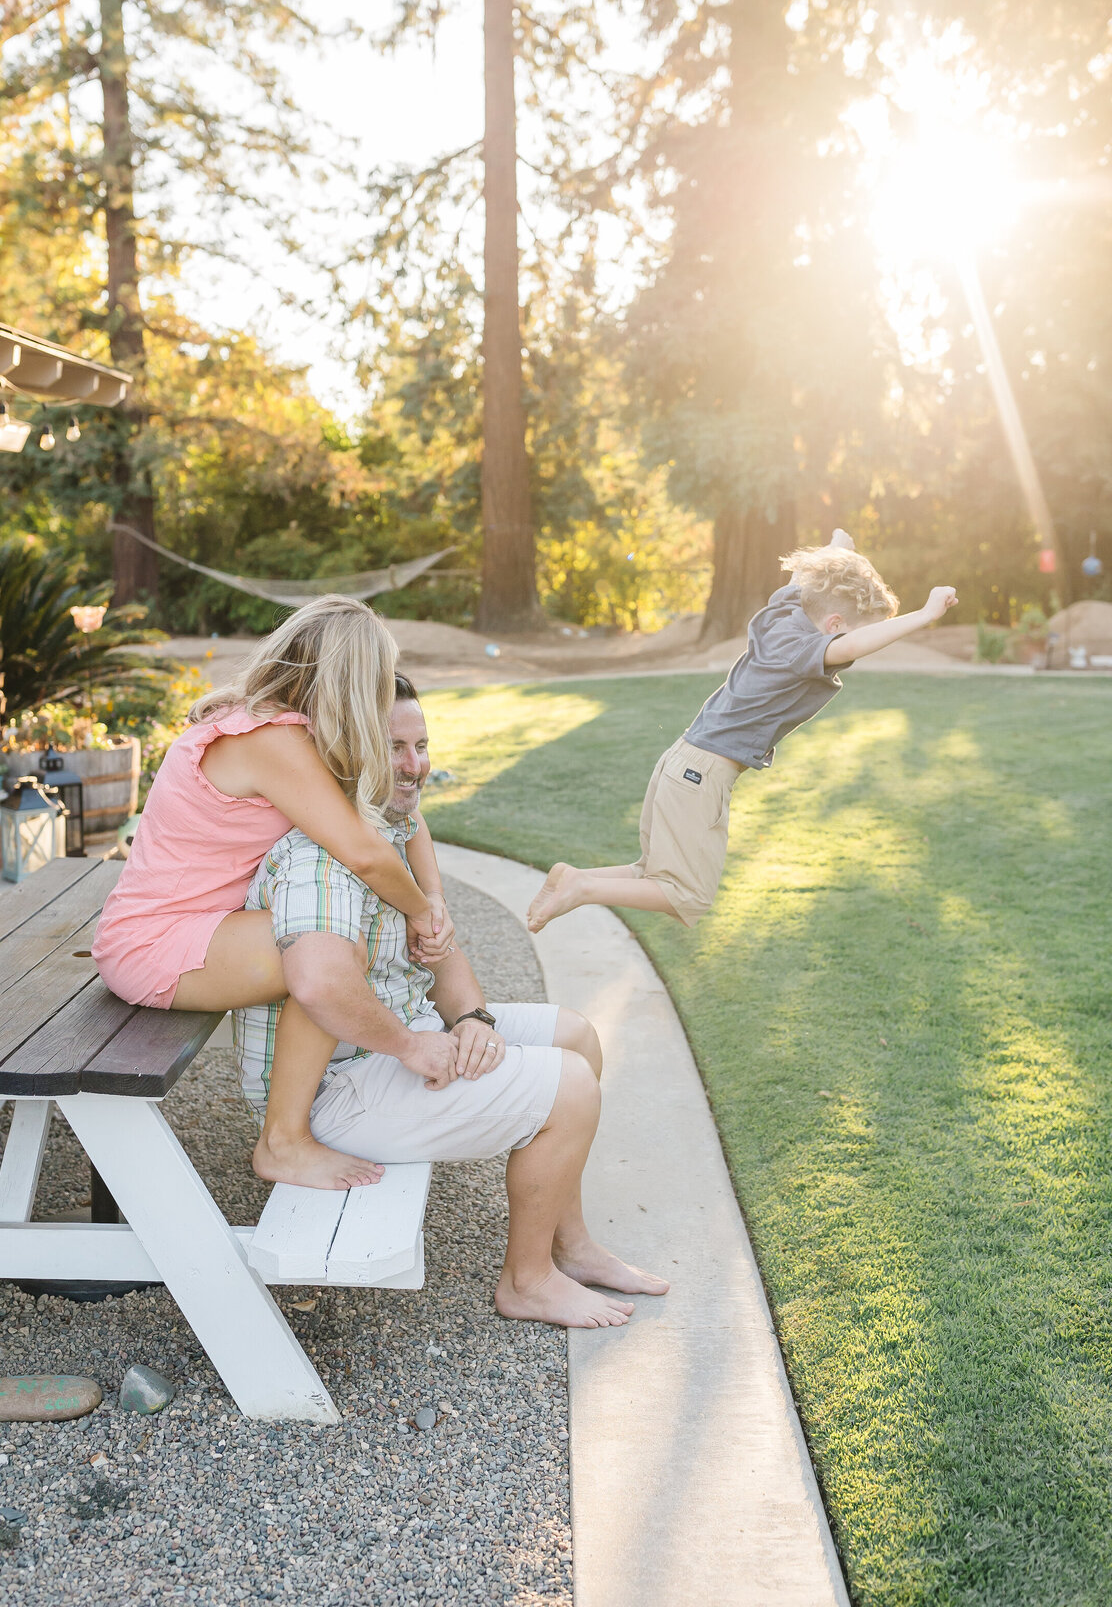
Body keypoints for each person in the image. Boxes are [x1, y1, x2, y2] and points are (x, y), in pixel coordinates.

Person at [235, 673, 668, 1330]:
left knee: (577, 1037)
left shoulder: (389, 828)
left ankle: (570, 1244)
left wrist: (471, 1022)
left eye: (421, 744)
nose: (415, 765)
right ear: (352, 752)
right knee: (570, 1088)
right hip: (334, 1093)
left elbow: (435, 955)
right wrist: (418, 1045)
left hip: (388, 1043)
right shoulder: (318, 861)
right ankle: (527, 1282)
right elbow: (320, 986)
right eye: (395, 747)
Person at [92, 596, 455, 1193]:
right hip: (156, 943)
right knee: (324, 953)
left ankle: (335, 1091)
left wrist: (431, 897)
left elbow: (396, 823)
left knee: (330, 940)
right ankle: (283, 1142)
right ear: (348, 681)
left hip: (206, 928)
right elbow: (364, 853)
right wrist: (420, 911)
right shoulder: (268, 739)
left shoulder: (288, 727)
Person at [527, 530, 959, 932]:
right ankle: (579, 888)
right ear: (832, 626)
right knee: (688, 895)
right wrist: (926, 613)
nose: (864, 646)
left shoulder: (784, 615)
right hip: (704, 773)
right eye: (867, 631)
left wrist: (836, 550)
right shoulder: (801, 649)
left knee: (652, 875)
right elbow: (849, 645)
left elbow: (800, 582)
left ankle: (576, 879)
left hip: (683, 760)